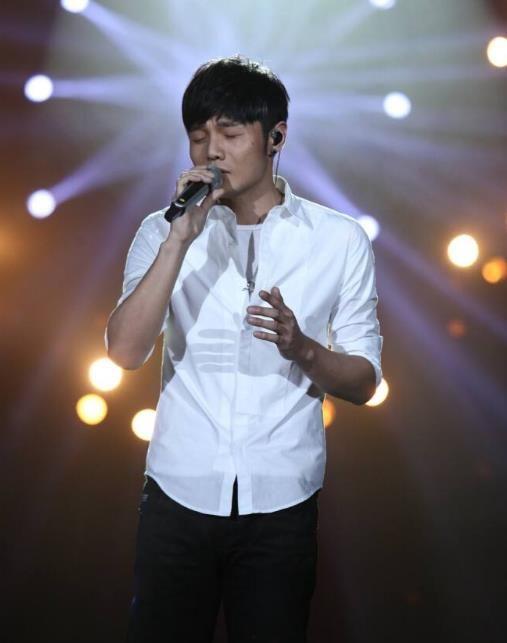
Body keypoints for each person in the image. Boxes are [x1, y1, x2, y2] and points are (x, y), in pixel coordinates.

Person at [105, 55, 383, 643]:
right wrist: (180, 240)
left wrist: (302, 348)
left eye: (230, 134)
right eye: (198, 136)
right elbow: (125, 353)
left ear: (276, 137)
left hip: (281, 501)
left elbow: (364, 381)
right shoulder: (162, 231)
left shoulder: (338, 240)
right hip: (177, 492)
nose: (212, 151)